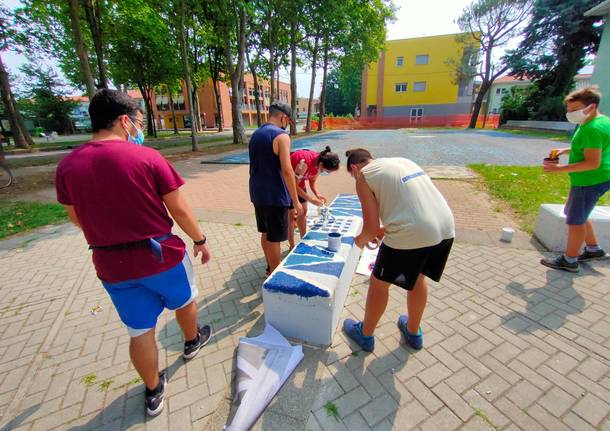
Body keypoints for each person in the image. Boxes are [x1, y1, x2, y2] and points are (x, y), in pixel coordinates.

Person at [55, 89, 212, 417]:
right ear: (124, 121)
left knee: (140, 331)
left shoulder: (68, 165)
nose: (139, 128)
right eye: (138, 121)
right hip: (161, 257)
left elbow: (75, 217)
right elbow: (179, 210)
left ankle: (154, 391)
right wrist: (200, 239)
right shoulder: (148, 158)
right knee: (184, 300)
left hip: (112, 265)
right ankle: (191, 342)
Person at [342, 149, 455, 352]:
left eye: (352, 176)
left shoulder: (364, 176)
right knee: (419, 278)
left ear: (354, 168)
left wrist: (356, 243)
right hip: (445, 227)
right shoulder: (401, 161)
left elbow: (369, 229)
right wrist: (383, 231)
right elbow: (411, 206)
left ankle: (365, 335)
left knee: (378, 283)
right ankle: (413, 332)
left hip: (413, 233)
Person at [541, 87, 610, 272]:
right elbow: (592, 149)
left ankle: (570, 260)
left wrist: (559, 168)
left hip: (589, 179)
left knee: (575, 220)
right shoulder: (601, 122)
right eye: (569, 110)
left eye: (575, 109)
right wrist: (566, 151)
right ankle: (594, 249)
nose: (570, 113)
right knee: (577, 213)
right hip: (600, 177)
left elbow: (591, 162)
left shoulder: (592, 129)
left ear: (591, 106)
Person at [249, 101, 303, 275]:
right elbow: (287, 171)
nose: (286, 125)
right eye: (287, 121)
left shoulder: (256, 135)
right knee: (275, 239)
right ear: (283, 117)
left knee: (265, 232)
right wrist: (296, 202)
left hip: (257, 193)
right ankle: (275, 276)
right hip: (275, 195)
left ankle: (268, 267)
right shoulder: (281, 136)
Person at [288, 146, 340, 249]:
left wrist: (317, 194)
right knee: (290, 216)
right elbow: (293, 186)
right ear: (321, 164)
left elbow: (312, 181)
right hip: (286, 184)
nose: (326, 173)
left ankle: (303, 240)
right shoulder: (304, 163)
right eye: (326, 171)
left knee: (303, 212)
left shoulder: (319, 164)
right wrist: (311, 199)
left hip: (298, 183)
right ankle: (292, 245)